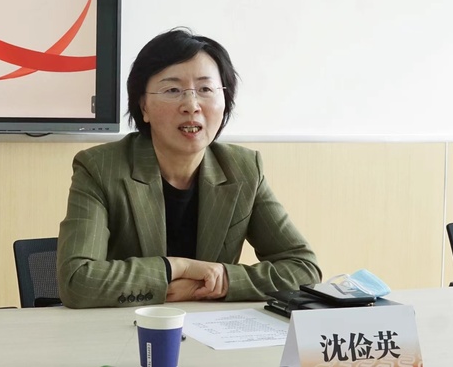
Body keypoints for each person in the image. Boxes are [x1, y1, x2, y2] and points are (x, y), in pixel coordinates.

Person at [57, 27, 321, 308]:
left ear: (225, 100)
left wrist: (220, 281)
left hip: (211, 327)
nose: (191, 105)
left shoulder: (243, 169)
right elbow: (76, 281)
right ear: (143, 107)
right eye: (173, 90)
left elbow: (303, 268)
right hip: (125, 325)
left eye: (205, 89)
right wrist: (177, 267)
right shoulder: (100, 168)